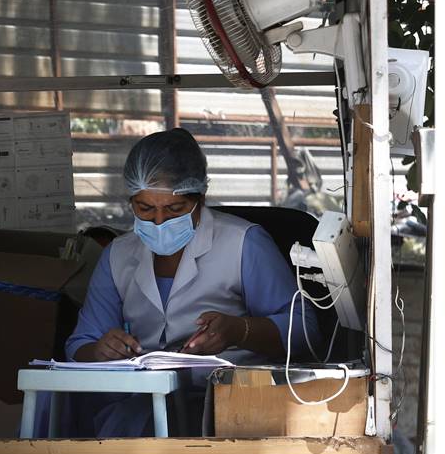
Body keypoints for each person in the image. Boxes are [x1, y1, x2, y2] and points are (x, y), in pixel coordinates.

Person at [58, 128, 321, 437]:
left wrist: (238, 330)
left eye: (174, 209)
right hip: (141, 399)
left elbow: (305, 330)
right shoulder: (118, 255)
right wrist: (99, 350)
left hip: (226, 404)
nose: (158, 222)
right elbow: (80, 343)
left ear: (200, 199)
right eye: (145, 209)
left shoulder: (244, 243)